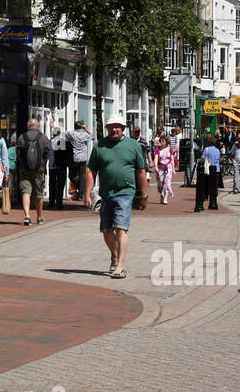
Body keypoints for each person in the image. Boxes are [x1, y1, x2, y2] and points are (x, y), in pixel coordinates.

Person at [83, 114, 148, 279]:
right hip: (106, 194)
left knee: (121, 229)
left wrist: (144, 195)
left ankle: (120, 265)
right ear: (107, 128)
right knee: (106, 231)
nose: (114, 129)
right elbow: (92, 171)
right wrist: (88, 194)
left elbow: (141, 171)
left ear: (123, 128)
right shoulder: (99, 146)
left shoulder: (133, 145)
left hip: (125, 193)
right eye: (111, 126)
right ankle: (114, 255)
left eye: (117, 126)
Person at [15, 118, 52, 225]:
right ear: (38, 126)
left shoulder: (22, 137)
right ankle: (39, 217)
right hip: (39, 170)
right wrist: (43, 165)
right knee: (39, 194)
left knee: (25, 192)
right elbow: (46, 155)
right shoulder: (44, 138)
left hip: (25, 170)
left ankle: (27, 216)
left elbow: (18, 155)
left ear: (28, 126)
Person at [67, 120, 93, 199]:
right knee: (82, 176)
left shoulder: (71, 134)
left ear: (74, 127)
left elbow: (62, 133)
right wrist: (86, 128)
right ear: (81, 127)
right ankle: (82, 193)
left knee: (71, 175)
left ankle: (79, 186)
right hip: (83, 158)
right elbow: (92, 136)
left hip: (74, 158)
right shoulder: (84, 135)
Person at [49, 126, 70, 209]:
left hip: (51, 166)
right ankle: (59, 203)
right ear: (59, 133)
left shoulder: (49, 141)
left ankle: (51, 202)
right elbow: (61, 155)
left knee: (52, 184)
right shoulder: (61, 142)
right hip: (60, 166)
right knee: (60, 185)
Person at [202, 136, 222, 209]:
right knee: (215, 184)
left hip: (208, 168)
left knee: (207, 183)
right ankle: (214, 197)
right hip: (216, 169)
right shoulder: (217, 150)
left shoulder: (206, 149)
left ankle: (206, 195)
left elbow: (203, 159)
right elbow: (219, 159)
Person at [155, 133, 176, 205]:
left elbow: (172, 159)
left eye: (162, 141)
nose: (161, 142)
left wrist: (173, 169)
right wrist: (156, 167)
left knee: (167, 183)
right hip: (161, 168)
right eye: (160, 141)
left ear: (166, 142)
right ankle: (162, 195)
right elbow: (156, 159)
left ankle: (165, 198)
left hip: (168, 168)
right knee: (161, 183)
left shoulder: (170, 149)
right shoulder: (157, 149)